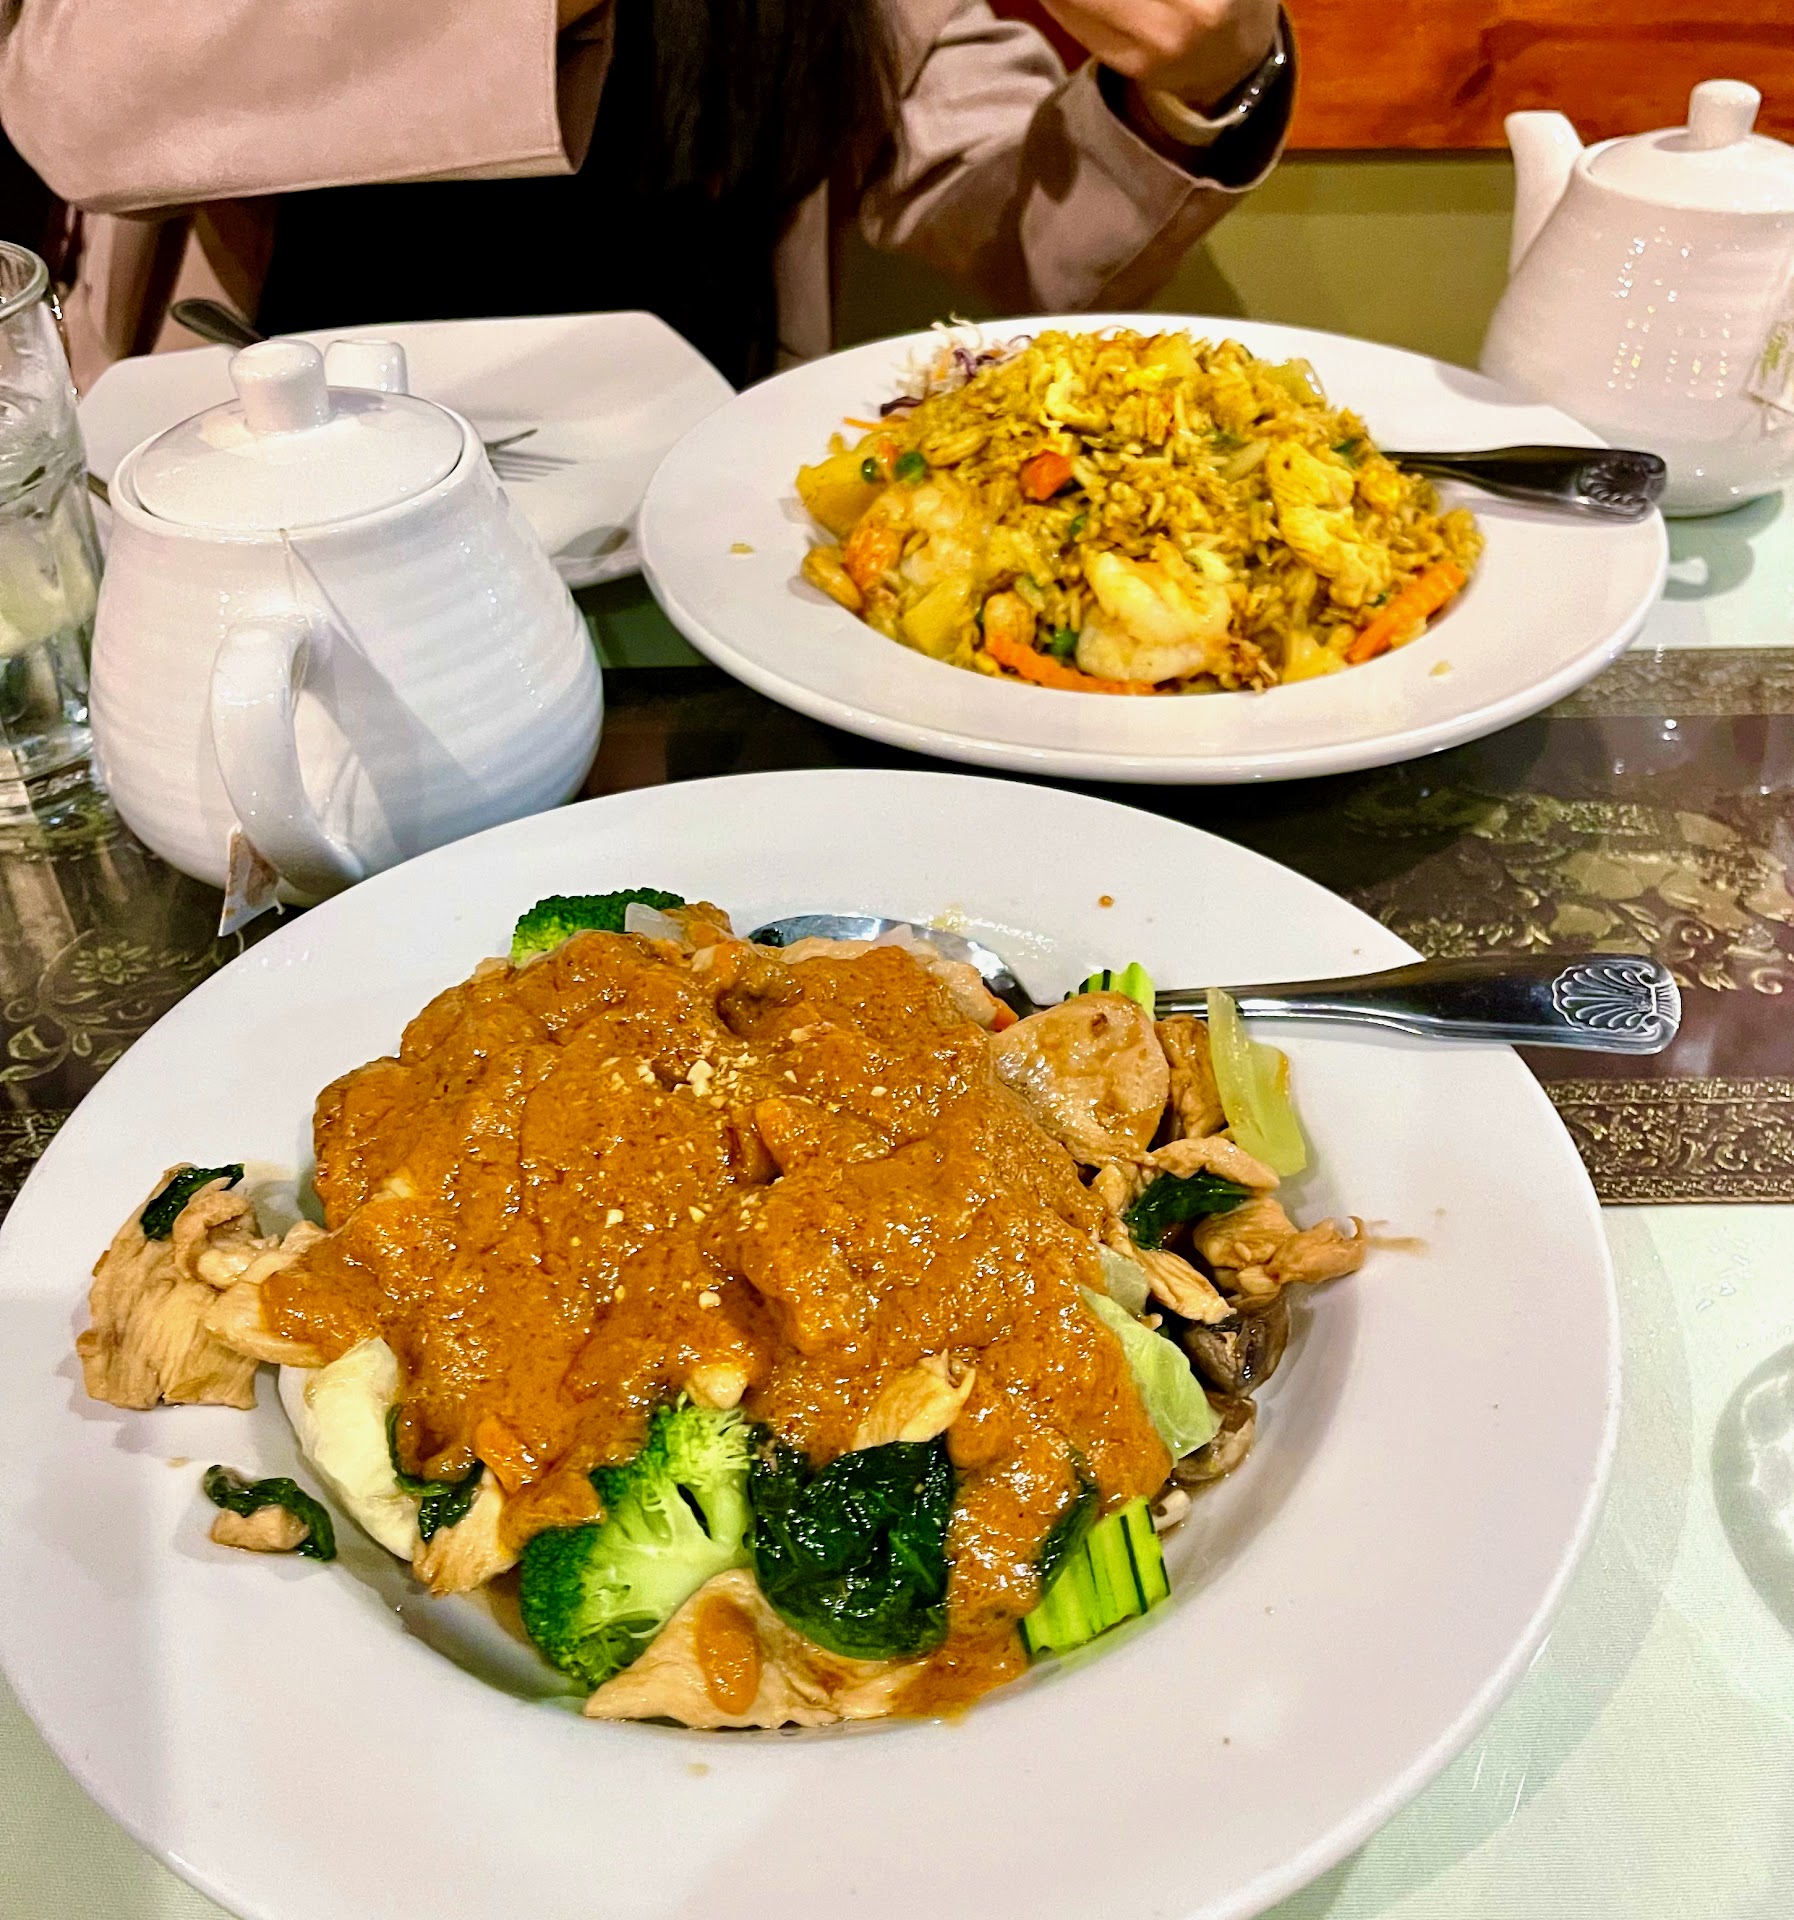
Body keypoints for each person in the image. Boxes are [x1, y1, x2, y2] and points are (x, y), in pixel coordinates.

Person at [0, 0, 1294, 390]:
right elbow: (77, 102)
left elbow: (1018, 233)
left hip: (689, 542)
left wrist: (1200, 81)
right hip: (272, 500)